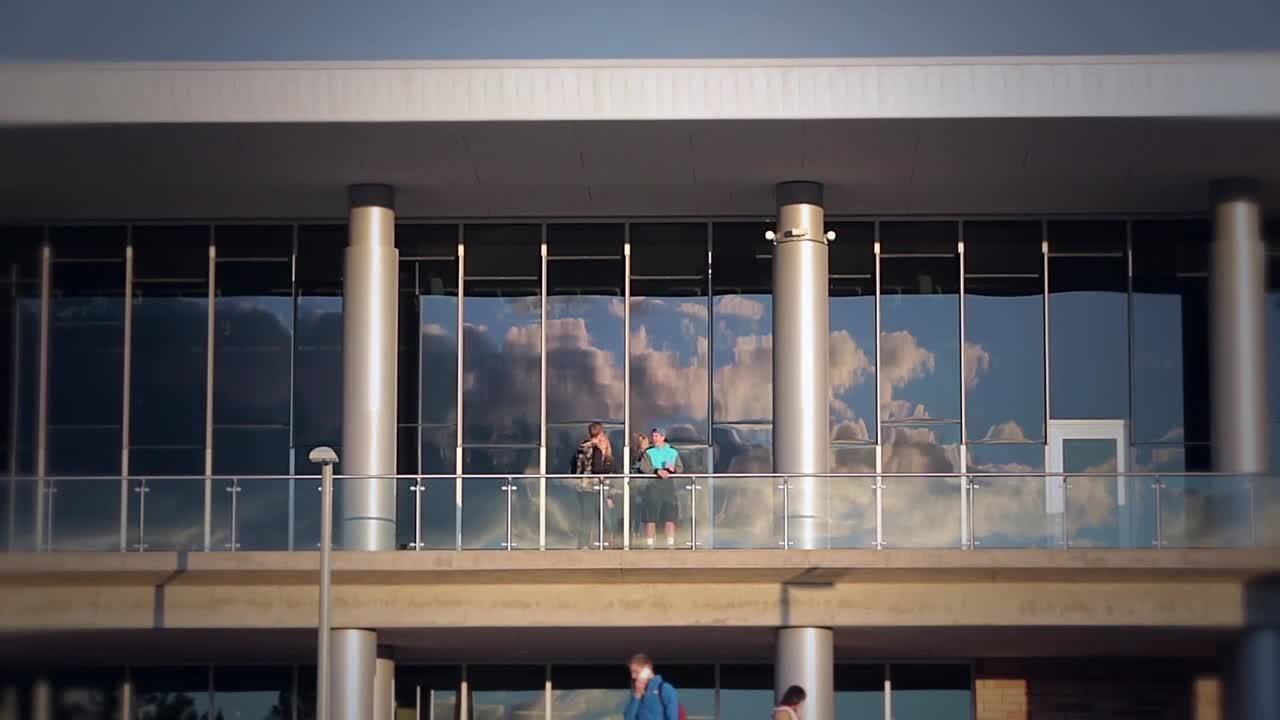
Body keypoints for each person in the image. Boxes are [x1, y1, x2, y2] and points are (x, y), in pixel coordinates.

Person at [638, 427, 682, 548]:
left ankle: (670, 543)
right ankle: (650, 544)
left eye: (657, 436)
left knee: (670, 516)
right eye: (653, 436)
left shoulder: (673, 452)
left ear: (663, 437)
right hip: (652, 486)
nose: (654, 438)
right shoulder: (648, 452)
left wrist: (673, 470)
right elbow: (644, 468)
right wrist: (657, 471)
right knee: (651, 517)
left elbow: (680, 468)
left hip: (669, 486)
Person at [574, 422, 615, 549]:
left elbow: (576, 466)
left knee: (586, 517)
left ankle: (584, 544)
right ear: (600, 434)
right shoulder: (595, 449)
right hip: (593, 488)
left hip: (582, 486)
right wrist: (607, 465)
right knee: (598, 518)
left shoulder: (582, 448)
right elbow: (597, 469)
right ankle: (591, 544)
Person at [625, 653, 681, 720]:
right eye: (631, 672)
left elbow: (673, 717)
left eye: (636, 672)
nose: (633, 676)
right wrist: (637, 695)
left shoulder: (665, 688)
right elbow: (628, 718)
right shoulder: (637, 693)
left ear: (648, 667)